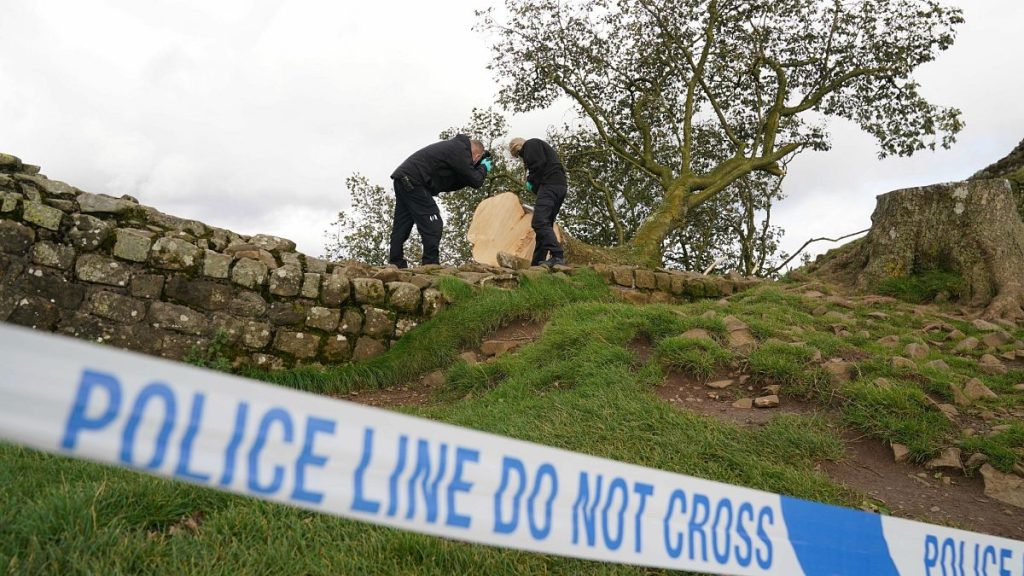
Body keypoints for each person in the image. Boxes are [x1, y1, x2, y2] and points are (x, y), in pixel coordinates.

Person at [389, 134, 492, 268]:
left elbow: (460, 181)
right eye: (476, 160)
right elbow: (476, 180)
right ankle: (430, 265)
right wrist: (483, 168)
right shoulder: (460, 150)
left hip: (403, 179)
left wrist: (477, 169)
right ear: (477, 156)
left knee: (402, 225)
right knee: (433, 224)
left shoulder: (454, 149)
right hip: (414, 181)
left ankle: (395, 263)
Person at [509, 137, 567, 267]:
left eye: (518, 154)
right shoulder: (537, 148)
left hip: (550, 185)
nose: (520, 157)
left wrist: (530, 180)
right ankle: (537, 263)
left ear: (518, 147)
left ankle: (557, 255)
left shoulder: (530, 144)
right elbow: (540, 171)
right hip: (558, 186)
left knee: (539, 222)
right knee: (545, 224)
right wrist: (534, 186)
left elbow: (537, 165)